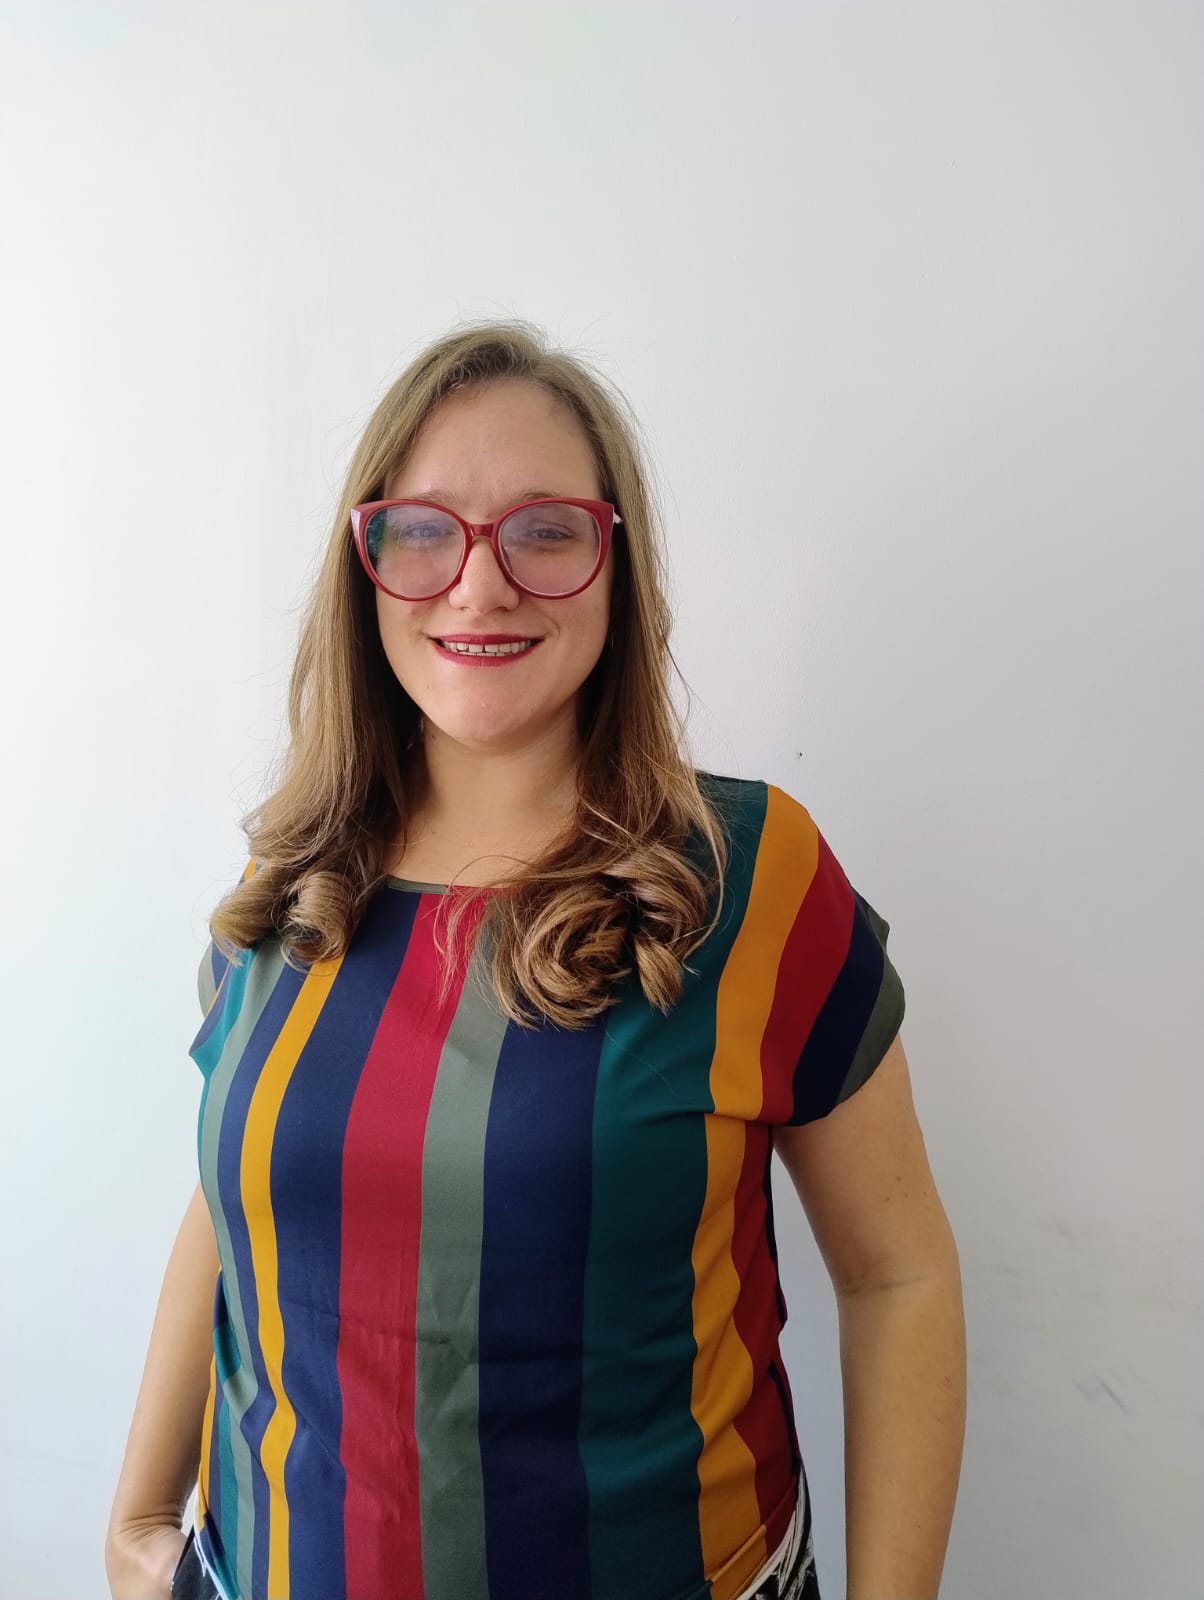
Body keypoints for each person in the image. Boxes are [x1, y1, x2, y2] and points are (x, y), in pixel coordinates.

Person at [105, 319, 966, 1600]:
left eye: (545, 530)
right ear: (364, 565)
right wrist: (135, 1522)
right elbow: (239, 1206)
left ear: (618, 565)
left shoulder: (750, 878)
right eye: (423, 530)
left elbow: (897, 1272)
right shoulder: (292, 882)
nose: (479, 584)